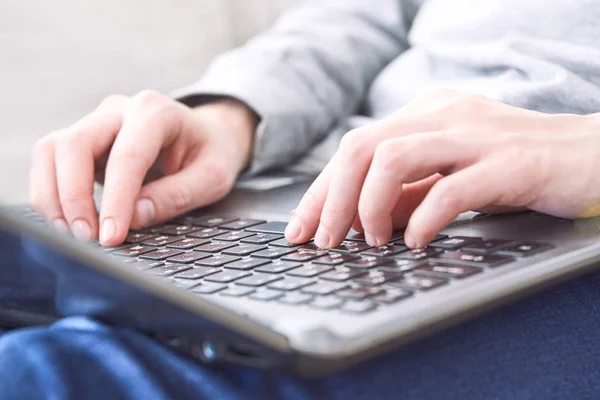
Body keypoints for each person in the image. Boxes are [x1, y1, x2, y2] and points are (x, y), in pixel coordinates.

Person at [3, 0, 600, 398]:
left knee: (43, 376)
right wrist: (230, 116)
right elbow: (365, 15)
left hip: (567, 238)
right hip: (321, 186)